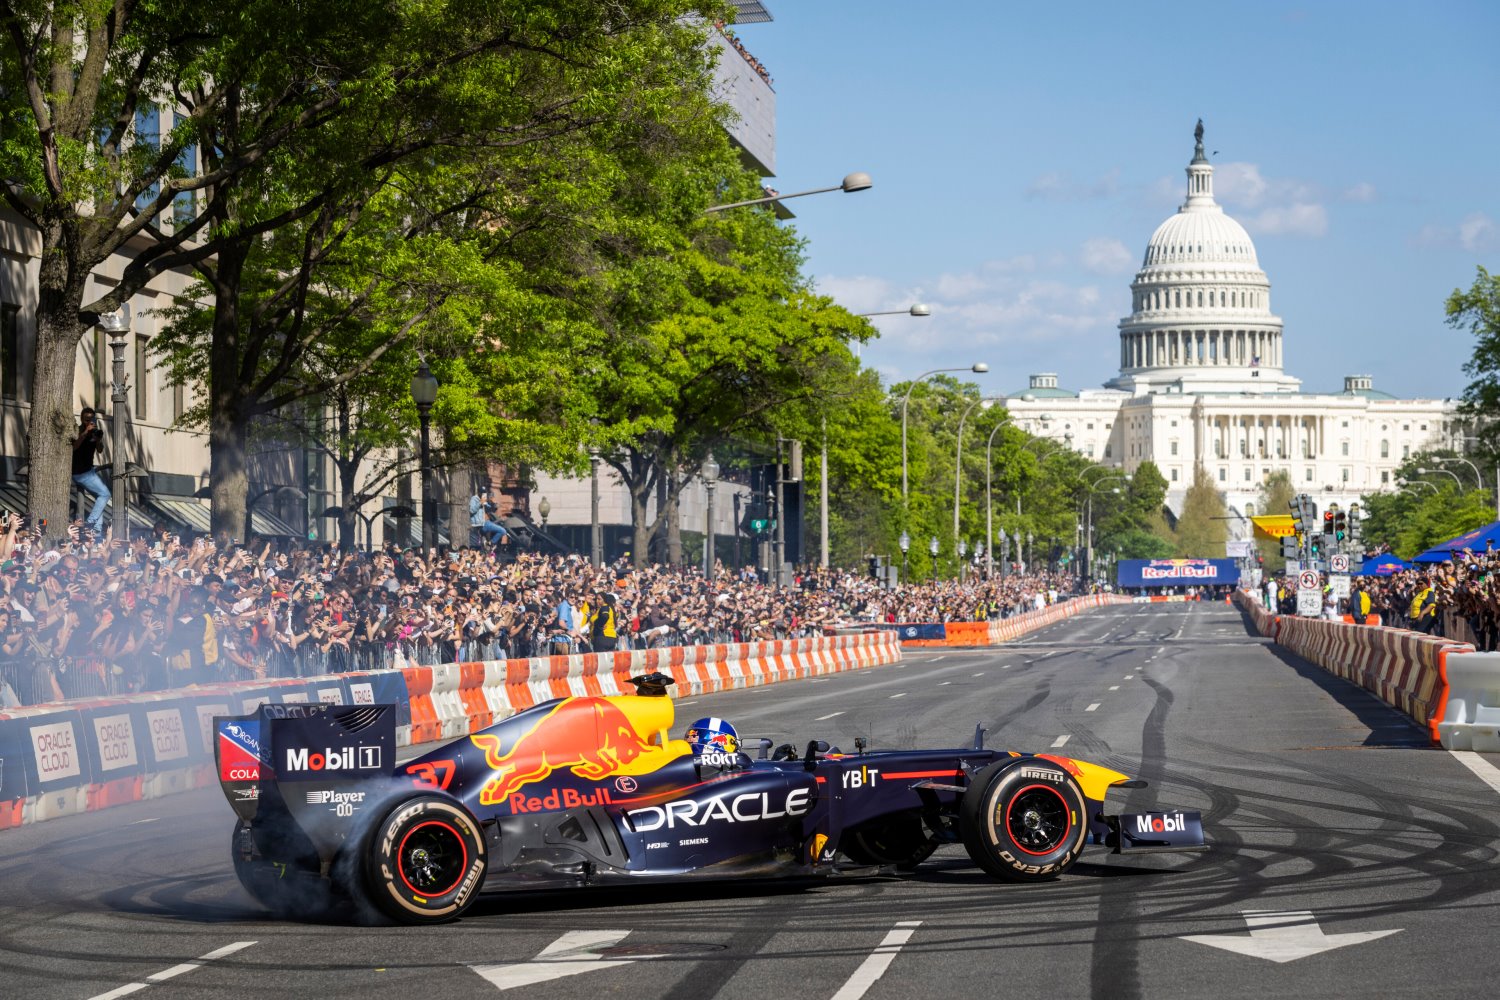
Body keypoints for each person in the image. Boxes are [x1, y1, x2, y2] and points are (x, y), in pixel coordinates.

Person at [71, 407, 109, 536]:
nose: (89, 422)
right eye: (87, 419)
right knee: (105, 494)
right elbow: (74, 447)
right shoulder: (78, 430)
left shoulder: (95, 432)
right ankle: (91, 522)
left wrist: (98, 439)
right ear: (82, 419)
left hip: (89, 470)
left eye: (91, 419)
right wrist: (85, 432)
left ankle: (96, 531)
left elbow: (100, 450)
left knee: (101, 499)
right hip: (80, 472)